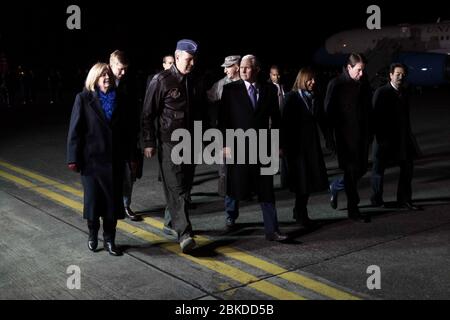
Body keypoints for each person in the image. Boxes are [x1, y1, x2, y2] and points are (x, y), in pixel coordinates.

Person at [67, 62, 135, 256]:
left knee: (112, 204)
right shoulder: (83, 99)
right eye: (102, 75)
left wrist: (131, 156)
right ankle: (92, 233)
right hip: (91, 163)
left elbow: (127, 132)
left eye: (109, 76)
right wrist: (73, 157)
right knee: (93, 202)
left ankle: (109, 240)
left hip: (114, 162)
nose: (107, 78)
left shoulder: (121, 99)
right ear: (94, 78)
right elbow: (75, 131)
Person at [219, 54, 287, 241]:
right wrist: (224, 143)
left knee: (266, 189)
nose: (242, 70)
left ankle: (272, 230)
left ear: (257, 69)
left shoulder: (269, 90)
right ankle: (230, 219)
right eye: (241, 67)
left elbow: (277, 120)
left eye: (247, 67)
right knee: (235, 186)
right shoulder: (230, 90)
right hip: (238, 147)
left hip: (262, 148)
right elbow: (223, 119)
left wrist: (278, 144)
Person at [142, 39, 201, 253]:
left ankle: (173, 223)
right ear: (177, 58)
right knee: (176, 187)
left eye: (194, 59)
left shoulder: (194, 81)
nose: (192, 63)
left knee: (185, 187)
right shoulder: (161, 80)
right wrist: (149, 142)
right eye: (188, 59)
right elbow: (148, 114)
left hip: (191, 142)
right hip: (170, 143)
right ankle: (185, 233)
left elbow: (199, 113)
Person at [325, 53, 372, 220]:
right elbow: (328, 114)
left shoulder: (363, 83)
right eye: (358, 70)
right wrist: (330, 140)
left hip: (363, 136)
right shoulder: (336, 84)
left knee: (361, 170)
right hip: (346, 138)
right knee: (351, 173)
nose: (361, 74)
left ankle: (336, 186)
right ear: (349, 67)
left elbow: (368, 109)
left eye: (363, 71)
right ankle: (354, 209)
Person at [281, 67, 329, 227]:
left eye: (314, 79)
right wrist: (281, 146)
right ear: (302, 80)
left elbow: (321, 118)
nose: (313, 82)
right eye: (310, 79)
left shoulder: (315, 97)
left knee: (309, 181)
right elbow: (282, 124)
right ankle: (301, 213)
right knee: (301, 181)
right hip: (296, 147)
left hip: (311, 145)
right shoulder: (291, 97)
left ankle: (299, 210)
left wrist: (329, 139)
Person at [371, 63, 421, 210]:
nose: (401, 76)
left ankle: (404, 199)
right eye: (398, 73)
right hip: (384, 139)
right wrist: (381, 139)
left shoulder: (404, 92)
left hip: (401, 139)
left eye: (403, 74)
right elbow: (375, 118)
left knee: (407, 168)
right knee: (378, 171)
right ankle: (377, 200)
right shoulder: (381, 92)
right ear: (391, 75)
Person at [206, 55, 241, 226]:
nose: (225, 70)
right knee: (227, 174)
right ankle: (231, 213)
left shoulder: (249, 83)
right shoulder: (221, 84)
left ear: (237, 66)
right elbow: (208, 99)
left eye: (228, 67)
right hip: (226, 136)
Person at [109, 50, 142, 221]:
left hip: (127, 137)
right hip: (108, 139)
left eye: (125, 69)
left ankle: (126, 205)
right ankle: (110, 207)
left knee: (129, 175)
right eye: (120, 69)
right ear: (111, 65)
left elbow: (134, 111)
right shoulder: (103, 82)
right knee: (109, 176)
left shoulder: (129, 83)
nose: (123, 73)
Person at [268, 65, 288, 189]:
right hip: (272, 121)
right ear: (270, 75)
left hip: (283, 120)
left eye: (278, 74)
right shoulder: (267, 88)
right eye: (274, 75)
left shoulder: (284, 86)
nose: (277, 77)